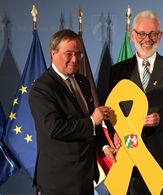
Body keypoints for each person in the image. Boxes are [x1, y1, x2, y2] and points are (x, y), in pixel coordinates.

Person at [109, 10, 163, 195]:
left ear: (160, 36)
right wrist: (116, 132)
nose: (147, 38)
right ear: (132, 35)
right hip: (131, 159)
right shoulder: (118, 71)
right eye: (141, 33)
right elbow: (110, 110)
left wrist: (161, 119)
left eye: (153, 33)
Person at [29, 29, 117, 195]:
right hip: (59, 180)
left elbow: (93, 122)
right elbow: (54, 128)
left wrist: (103, 146)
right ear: (53, 53)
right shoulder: (42, 88)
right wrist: (92, 121)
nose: (75, 59)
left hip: (84, 175)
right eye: (68, 53)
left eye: (79, 54)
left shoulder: (82, 81)